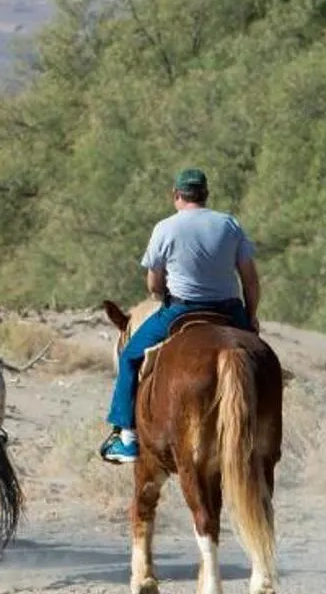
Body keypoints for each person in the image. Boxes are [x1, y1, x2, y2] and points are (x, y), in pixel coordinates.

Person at [101, 168, 261, 464]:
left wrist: (162, 294)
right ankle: (263, 432)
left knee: (130, 357)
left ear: (177, 195)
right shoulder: (229, 224)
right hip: (229, 309)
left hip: (182, 309)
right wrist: (250, 318)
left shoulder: (165, 228)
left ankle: (127, 440)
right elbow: (250, 280)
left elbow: (153, 284)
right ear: (206, 195)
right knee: (261, 361)